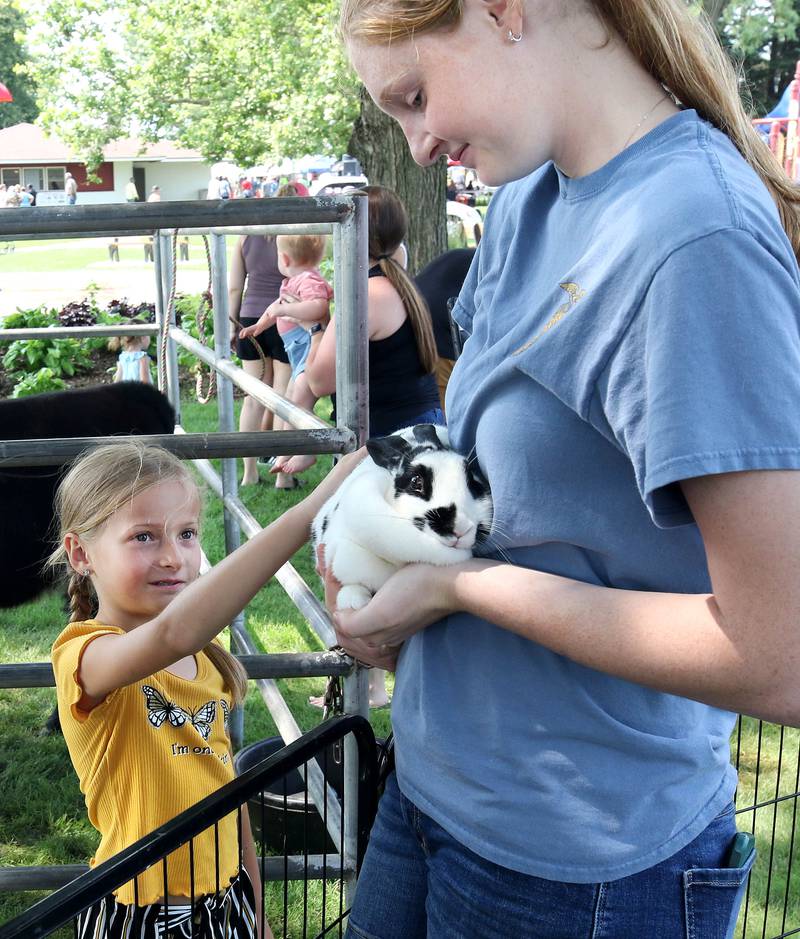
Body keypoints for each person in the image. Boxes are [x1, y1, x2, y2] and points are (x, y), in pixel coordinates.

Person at [325, 1, 800, 936]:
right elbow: (494, 469)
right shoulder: (531, 197)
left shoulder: (693, 241)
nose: (418, 145)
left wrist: (453, 592)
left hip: (577, 865)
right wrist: (358, 529)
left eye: (416, 96)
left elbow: (781, 656)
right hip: (435, 789)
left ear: (506, 11)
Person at [48, 441, 361, 938]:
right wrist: (312, 510)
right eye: (144, 537)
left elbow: (225, 792)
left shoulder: (204, 657)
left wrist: (255, 913)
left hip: (224, 899)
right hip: (138, 910)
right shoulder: (84, 657)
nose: (173, 557)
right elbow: (173, 632)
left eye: (187, 533)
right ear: (81, 553)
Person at [303, 185, 443, 710]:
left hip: (391, 449)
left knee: (343, 556)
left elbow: (318, 378)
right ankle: (374, 676)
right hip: (410, 436)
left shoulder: (370, 292)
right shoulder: (395, 282)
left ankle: (370, 675)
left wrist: (318, 324)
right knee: (375, 560)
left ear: (354, 234)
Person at [239, 233, 334, 467]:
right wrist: (259, 326)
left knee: (300, 402)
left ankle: (306, 450)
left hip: (309, 351)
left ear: (284, 258)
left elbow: (318, 306)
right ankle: (286, 453)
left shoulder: (309, 280)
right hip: (298, 351)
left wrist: (286, 312)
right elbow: (275, 308)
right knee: (292, 402)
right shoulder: (292, 282)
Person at [227, 184, 295, 488]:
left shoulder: (245, 237)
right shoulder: (295, 237)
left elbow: (233, 287)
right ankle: (282, 475)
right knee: (283, 396)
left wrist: (232, 324)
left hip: (249, 319)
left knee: (253, 399)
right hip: (284, 319)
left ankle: (249, 473)